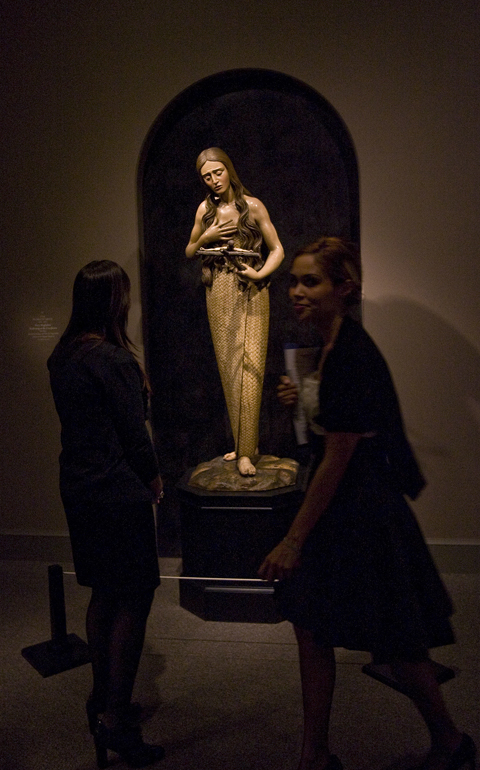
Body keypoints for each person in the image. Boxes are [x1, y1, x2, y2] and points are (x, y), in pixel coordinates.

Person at [258, 238, 476, 770]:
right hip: (347, 509)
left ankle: (451, 743)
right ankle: (315, 754)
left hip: (363, 514)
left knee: (398, 643)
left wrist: (293, 539)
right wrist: (306, 397)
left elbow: (338, 457)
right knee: (311, 626)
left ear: (344, 289)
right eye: (295, 281)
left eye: (312, 281)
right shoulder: (331, 346)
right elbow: (337, 424)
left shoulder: (351, 352)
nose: (298, 291)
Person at [48, 260, 165, 768]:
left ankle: (102, 697)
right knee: (134, 597)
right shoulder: (113, 361)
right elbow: (133, 433)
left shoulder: (63, 356)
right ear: (113, 302)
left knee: (104, 593)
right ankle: (116, 718)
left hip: (79, 487)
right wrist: (154, 478)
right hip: (118, 491)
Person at [186, 147, 284, 476]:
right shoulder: (205, 209)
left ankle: (245, 451)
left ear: (229, 170)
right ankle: (245, 444)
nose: (214, 180)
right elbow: (189, 249)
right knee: (229, 368)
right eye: (207, 176)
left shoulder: (252, 206)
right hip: (218, 290)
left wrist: (259, 274)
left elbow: (277, 249)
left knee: (250, 367)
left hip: (251, 289)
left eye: (218, 172)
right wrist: (208, 235)